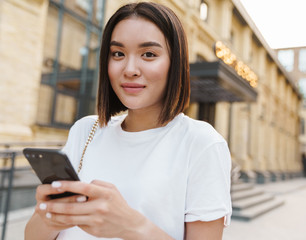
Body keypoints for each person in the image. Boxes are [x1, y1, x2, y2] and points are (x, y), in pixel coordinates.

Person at [25, 2, 232, 239]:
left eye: (149, 54)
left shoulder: (201, 143)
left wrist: (130, 226)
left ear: (175, 64)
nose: (130, 69)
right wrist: (51, 217)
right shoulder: (86, 130)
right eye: (118, 54)